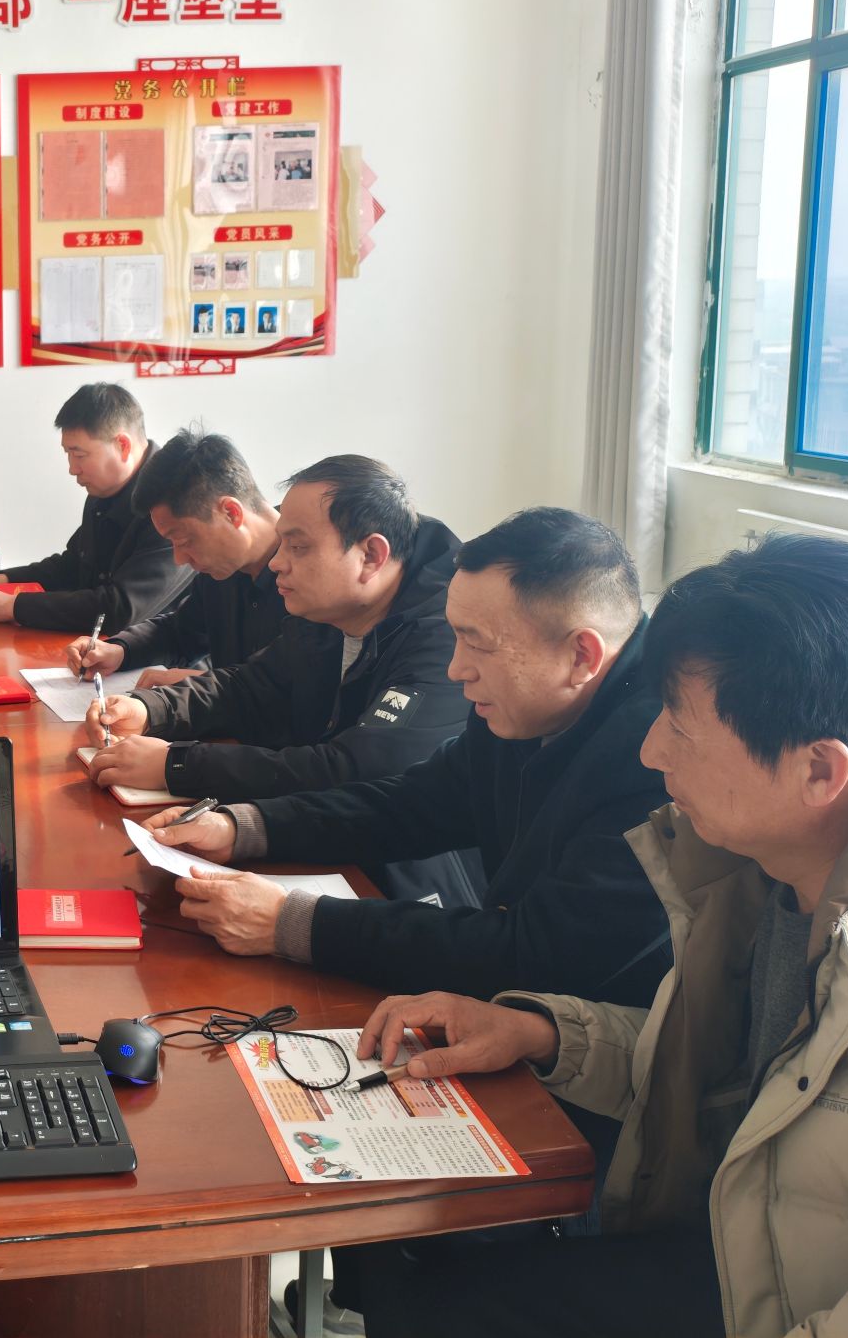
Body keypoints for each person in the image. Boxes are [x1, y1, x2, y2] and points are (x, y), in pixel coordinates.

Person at [337, 535, 848, 1338]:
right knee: (420, 1280)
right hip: (738, 1252)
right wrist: (538, 1031)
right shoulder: (756, 879)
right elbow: (721, 1071)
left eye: (680, 727)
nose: (649, 748)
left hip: (801, 1305)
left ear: (820, 772)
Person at [143, 508, 670, 1009]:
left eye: (477, 644)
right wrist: (243, 826)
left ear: (581, 655)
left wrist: (290, 922)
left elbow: (532, 956)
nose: (456, 670)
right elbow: (413, 803)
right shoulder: (529, 704)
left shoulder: (657, 758)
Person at [85, 454, 478, 906]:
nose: (276, 563)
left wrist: (179, 764)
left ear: (371, 555)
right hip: (314, 836)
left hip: (409, 883)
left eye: (297, 547)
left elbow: (358, 771)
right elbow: (252, 685)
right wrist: (151, 708)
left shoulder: (445, 633)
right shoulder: (330, 607)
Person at [0, 383, 191, 632]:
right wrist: (2, 579)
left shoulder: (171, 502)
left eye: (79, 455)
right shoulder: (104, 490)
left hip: (158, 651)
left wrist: (12, 606)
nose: (72, 469)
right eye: (68, 454)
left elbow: (121, 608)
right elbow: (73, 566)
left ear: (123, 445)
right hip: (99, 645)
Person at [62, 428, 287, 690]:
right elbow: (180, 632)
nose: (180, 559)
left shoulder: (306, 575)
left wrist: (200, 683)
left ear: (231, 513)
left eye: (184, 541)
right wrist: (120, 650)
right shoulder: (221, 569)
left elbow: (284, 685)